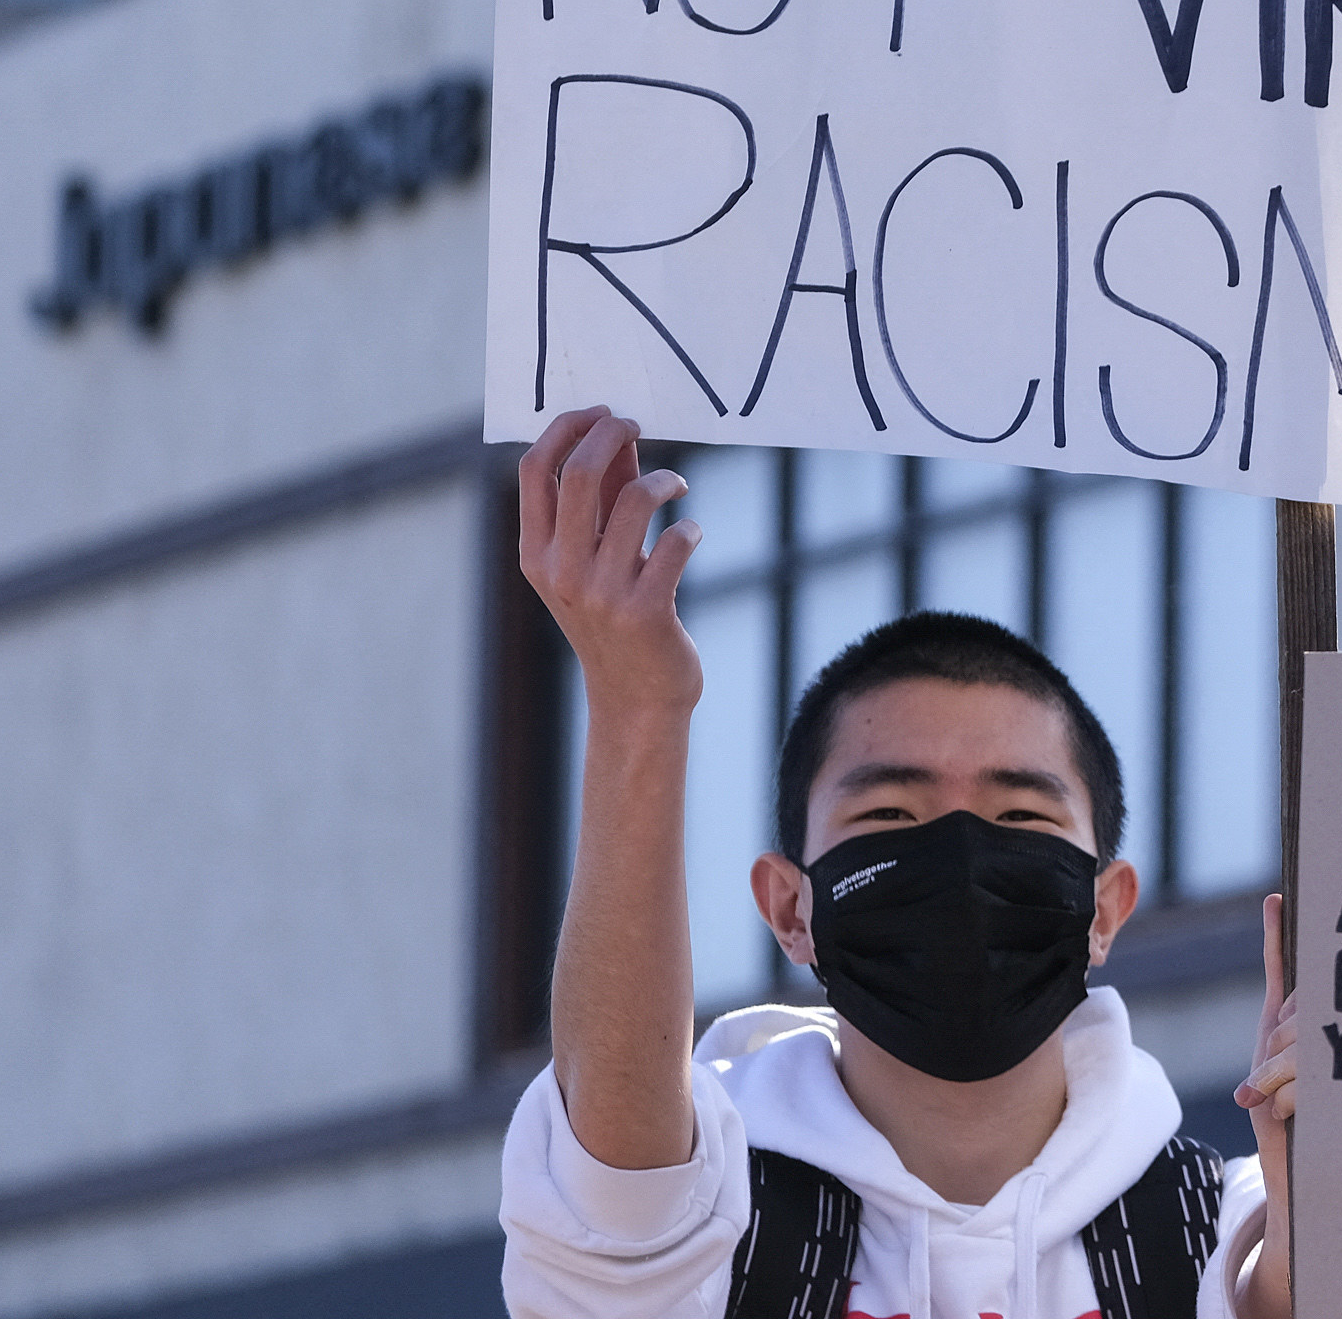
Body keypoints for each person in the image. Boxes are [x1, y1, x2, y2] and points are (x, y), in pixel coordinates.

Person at [498, 406, 1300, 1319]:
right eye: (889, 811)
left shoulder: (1224, 1237)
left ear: (1107, 908)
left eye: (1019, 813)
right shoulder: (715, 1231)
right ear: (789, 907)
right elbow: (617, 1188)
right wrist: (636, 702)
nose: (959, 850)